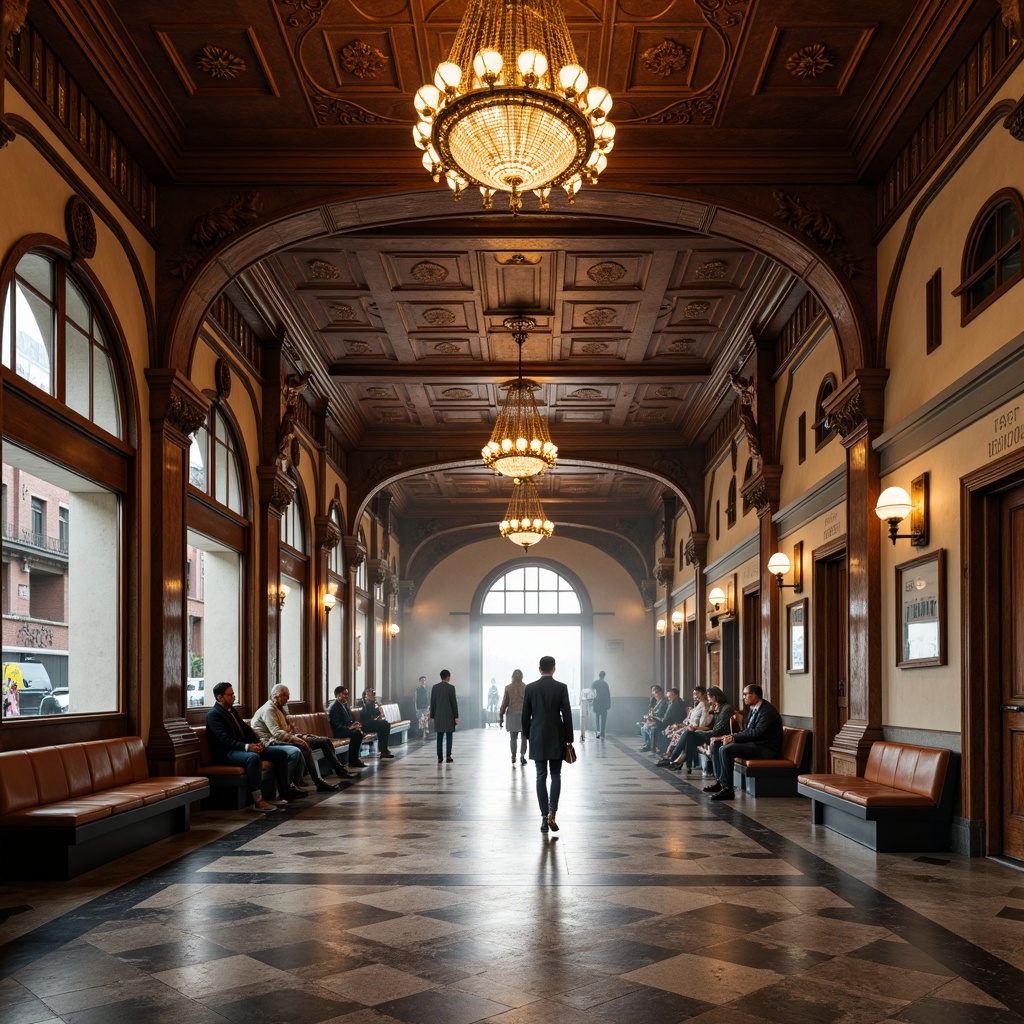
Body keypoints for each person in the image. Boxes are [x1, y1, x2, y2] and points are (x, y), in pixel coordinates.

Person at [205, 681, 305, 810]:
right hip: (226, 753)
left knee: (280, 754)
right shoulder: (213, 715)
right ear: (219, 697)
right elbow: (223, 740)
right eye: (230, 694)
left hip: (241, 748)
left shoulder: (232, 711)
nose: (234, 697)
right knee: (253, 758)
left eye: (233, 694)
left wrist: (257, 742)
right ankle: (258, 800)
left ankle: (284, 791)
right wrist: (247, 747)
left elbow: (245, 729)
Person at [250, 684, 352, 791]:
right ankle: (316, 781)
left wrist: (300, 736)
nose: (287, 699)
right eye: (285, 696)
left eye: (288, 696)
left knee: (323, 741)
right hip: (271, 742)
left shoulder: (280, 709)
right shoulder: (269, 709)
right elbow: (277, 733)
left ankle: (337, 769)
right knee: (303, 747)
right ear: (275, 695)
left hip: (285, 739)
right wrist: (298, 740)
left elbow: (289, 731)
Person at [521, 655, 573, 834]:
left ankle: (544, 817)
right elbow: (567, 714)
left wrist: (527, 736)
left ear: (539, 669)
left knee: (540, 775)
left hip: (537, 735)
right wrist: (569, 739)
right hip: (557, 735)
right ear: (554, 668)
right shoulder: (561, 687)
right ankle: (553, 812)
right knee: (556, 774)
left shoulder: (530, 688)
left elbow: (525, 715)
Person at [706, 683, 784, 801]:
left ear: (753, 695)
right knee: (718, 744)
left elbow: (757, 732)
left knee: (726, 749)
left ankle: (728, 789)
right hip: (755, 744)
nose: (744, 697)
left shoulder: (767, 710)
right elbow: (748, 731)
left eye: (745, 694)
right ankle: (720, 781)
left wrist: (733, 738)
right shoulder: (755, 709)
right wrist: (727, 737)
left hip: (765, 748)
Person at [681, 686, 735, 775]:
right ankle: (684, 760)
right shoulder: (719, 707)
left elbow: (718, 729)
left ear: (714, 697)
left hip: (718, 735)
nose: (708, 699)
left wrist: (704, 731)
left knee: (689, 735)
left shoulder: (726, 708)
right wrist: (713, 712)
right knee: (688, 734)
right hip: (713, 733)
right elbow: (711, 725)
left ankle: (682, 759)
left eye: (709, 697)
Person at [328, 686, 369, 770]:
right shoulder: (335, 707)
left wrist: (354, 724)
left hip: (345, 729)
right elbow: (337, 725)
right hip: (339, 731)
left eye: (347, 694)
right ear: (339, 695)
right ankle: (353, 760)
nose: (347, 696)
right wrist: (350, 728)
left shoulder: (344, 705)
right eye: (345, 694)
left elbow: (349, 720)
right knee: (357, 734)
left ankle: (354, 759)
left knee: (360, 730)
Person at [499, 668, 528, 766]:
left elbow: (504, 703)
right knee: (524, 736)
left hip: (512, 715)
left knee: (513, 737)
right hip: (523, 715)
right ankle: (522, 755)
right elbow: (529, 703)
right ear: (522, 676)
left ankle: (513, 756)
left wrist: (501, 715)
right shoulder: (525, 687)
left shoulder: (508, 688)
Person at [430, 669, 459, 762]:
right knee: (449, 736)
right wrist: (456, 716)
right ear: (448, 677)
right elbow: (454, 703)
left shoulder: (435, 687)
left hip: (438, 715)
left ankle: (439, 757)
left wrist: (432, 715)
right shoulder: (451, 688)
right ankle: (448, 756)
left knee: (439, 736)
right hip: (449, 715)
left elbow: (432, 702)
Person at [360, 687, 394, 759]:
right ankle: (383, 750)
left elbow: (375, 715)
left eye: (372, 692)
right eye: (369, 693)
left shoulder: (372, 703)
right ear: (365, 695)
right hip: (364, 724)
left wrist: (376, 706)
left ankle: (384, 750)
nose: (372, 694)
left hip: (370, 722)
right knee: (384, 725)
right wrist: (371, 703)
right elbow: (367, 715)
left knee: (385, 725)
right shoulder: (365, 703)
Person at [638, 686, 668, 751]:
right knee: (643, 727)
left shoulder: (664, 701)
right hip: (654, 719)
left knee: (649, 728)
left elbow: (661, 713)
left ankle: (651, 745)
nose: (656, 695)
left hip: (661, 721)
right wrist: (649, 715)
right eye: (655, 694)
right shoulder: (656, 701)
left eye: (658, 693)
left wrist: (652, 714)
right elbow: (652, 710)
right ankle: (648, 744)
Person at [591, 670, 611, 738]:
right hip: (604, 705)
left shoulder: (595, 683)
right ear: (604, 676)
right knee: (603, 720)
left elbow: (592, 690)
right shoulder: (606, 684)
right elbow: (608, 695)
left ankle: (598, 732)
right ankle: (603, 733)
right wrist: (609, 705)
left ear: (599, 675)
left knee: (597, 719)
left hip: (597, 704)